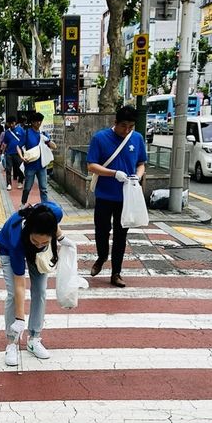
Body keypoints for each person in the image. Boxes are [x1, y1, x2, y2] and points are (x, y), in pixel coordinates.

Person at [0, 202, 65, 366]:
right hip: (8, 247)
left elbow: (54, 224)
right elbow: (20, 284)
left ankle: (34, 338)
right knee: (13, 294)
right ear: (29, 232)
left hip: (37, 250)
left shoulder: (54, 213)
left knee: (40, 290)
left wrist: (62, 238)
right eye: (36, 241)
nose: (39, 245)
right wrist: (19, 319)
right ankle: (11, 343)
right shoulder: (16, 239)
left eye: (45, 242)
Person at [86, 105, 147, 288]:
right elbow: (91, 165)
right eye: (123, 126)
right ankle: (102, 256)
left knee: (121, 236)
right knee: (101, 231)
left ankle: (116, 273)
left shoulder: (136, 138)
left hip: (126, 197)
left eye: (130, 126)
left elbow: (141, 163)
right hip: (105, 195)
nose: (126, 130)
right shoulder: (100, 138)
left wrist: (138, 174)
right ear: (115, 123)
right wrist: (113, 173)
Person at [18, 112, 57, 208]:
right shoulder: (26, 133)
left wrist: (48, 140)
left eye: (40, 121)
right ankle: (23, 203)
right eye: (36, 121)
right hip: (30, 165)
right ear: (32, 122)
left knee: (44, 188)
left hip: (42, 165)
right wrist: (21, 157)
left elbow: (53, 146)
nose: (38, 123)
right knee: (27, 187)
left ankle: (45, 205)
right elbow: (18, 146)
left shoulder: (43, 134)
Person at [0, 116, 24, 191]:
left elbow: (24, 140)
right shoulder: (7, 132)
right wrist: (3, 153)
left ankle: (20, 182)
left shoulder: (20, 130)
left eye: (12, 123)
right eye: (9, 123)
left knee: (20, 168)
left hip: (18, 153)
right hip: (9, 153)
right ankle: (9, 184)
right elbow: (5, 143)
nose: (11, 125)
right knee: (8, 169)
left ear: (15, 122)